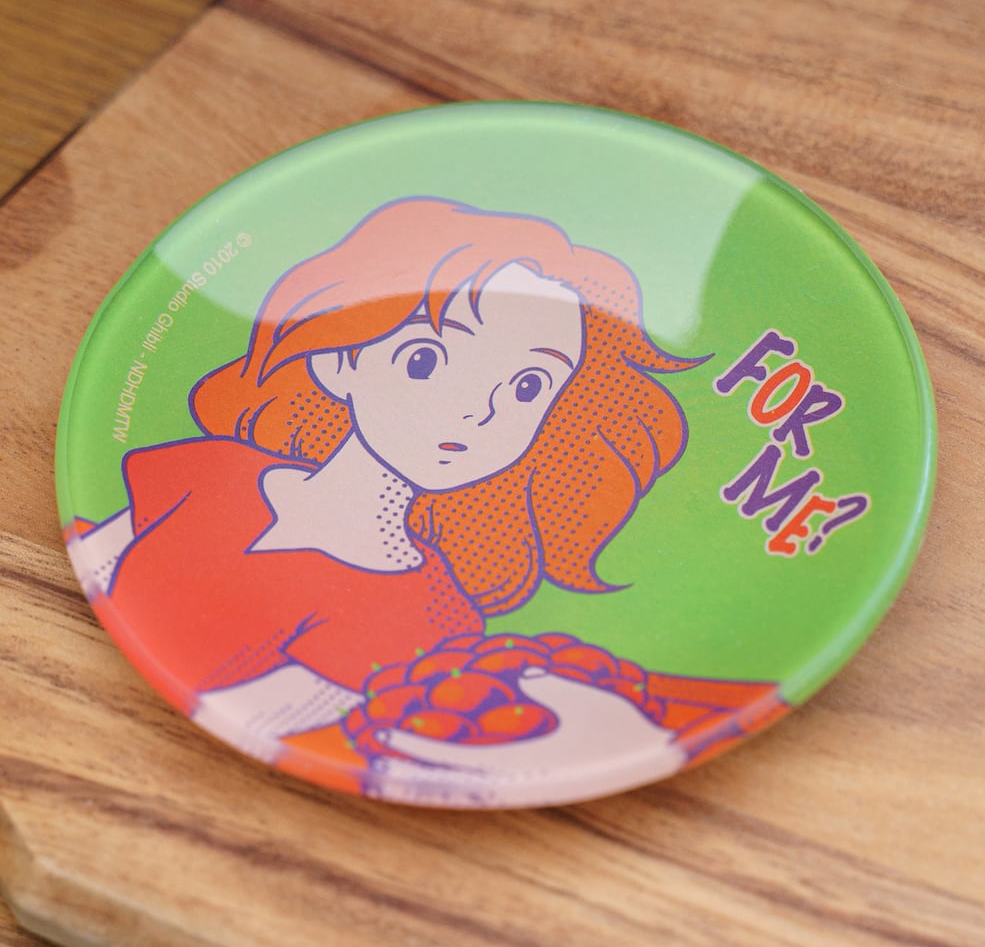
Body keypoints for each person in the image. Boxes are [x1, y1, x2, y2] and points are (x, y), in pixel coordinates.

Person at [69, 197, 780, 804]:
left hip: (151, 764)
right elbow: (95, 559)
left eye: (528, 387)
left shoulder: (432, 617)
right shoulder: (213, 468)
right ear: (340, 358)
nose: (478, 413)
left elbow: (261, 721)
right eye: (426, 359)